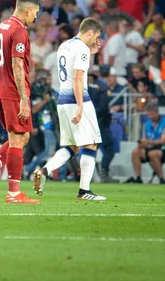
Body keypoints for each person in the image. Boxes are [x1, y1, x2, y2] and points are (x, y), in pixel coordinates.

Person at [0, 0, 42, 205]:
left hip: (0, 90)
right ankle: (13, 193)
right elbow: (16, 63)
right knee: (17, 138)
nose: (35, 18)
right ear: (28, 9)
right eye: (36, 13)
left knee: (22, 137)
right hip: (14, 92)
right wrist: (23, 97)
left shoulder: (0, 27)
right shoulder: (19, 30)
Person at [33, 18, 106, 201]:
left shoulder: (64, 45)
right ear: (90, 32)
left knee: (71, 146)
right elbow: (77, 78)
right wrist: (81, 106)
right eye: (96, 36)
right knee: (91, 143)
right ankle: (84, 191)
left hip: (62, 101)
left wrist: (90, 53)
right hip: (76, 99)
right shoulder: (81, 48)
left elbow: (72, 66)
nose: (95, 39)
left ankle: (44, 170)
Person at [127, 103, 165, 184]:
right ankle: (138, 178)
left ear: (157, 112)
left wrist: (149, 142)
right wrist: (141, 144)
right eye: (148, 115)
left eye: (152, 115)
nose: (150, 117)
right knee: (135, 152)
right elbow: (144, 139)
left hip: (164, 149)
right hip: (149, 148)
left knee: (152, 154)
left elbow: (163, 140)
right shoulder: (146, 124)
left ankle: (162, 179)